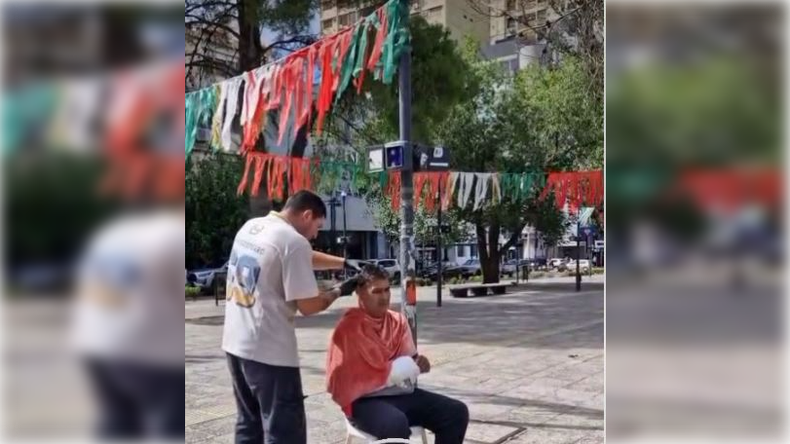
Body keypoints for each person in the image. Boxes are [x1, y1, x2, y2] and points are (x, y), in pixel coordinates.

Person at [222, 190, 361, 444]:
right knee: (284, 432)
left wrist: (344, 263)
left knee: (248, 423)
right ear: (307, 215)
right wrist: (340, 290)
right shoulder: (293, 241)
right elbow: (308, 305)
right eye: (317, 227)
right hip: (269, 353)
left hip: (235, 344)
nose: (316, 235)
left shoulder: (253, 226)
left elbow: (299, 257)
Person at [72, 206, 185, 444]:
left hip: (97, 344)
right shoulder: (168, 235)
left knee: (117, 423)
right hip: (146, 353)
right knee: (166, 426)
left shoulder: (111, 233)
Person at [326, 265, 470, 444]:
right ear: (361, 293)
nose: (384, 297)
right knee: (395, 423)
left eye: (387, 289)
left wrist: (419, 363)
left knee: (456, 412)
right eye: (377, 291)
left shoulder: (397, 321)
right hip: (363, 402)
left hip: (401, 394)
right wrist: (387, 373)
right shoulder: (348, 329)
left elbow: (409, 360)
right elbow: (341, 381)